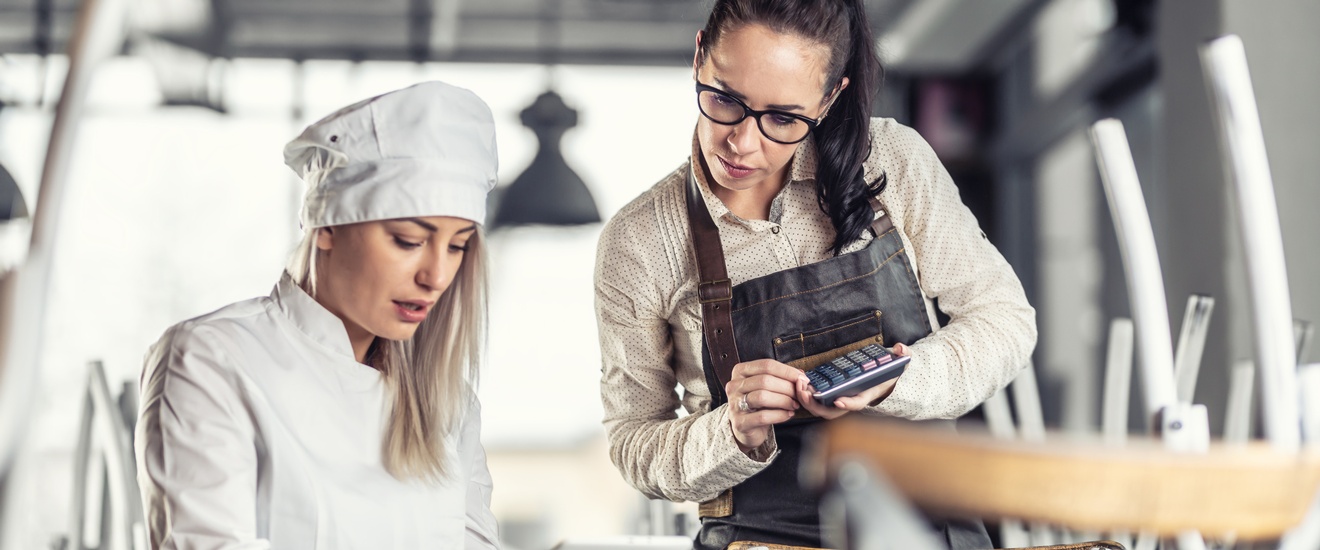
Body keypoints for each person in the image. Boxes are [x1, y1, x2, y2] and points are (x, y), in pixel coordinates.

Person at [593, 1, 1037, 548]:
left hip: (926, 532)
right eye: (725, 100)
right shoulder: (640, 242)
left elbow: (1005, 321)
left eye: (783, 118)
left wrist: (899, 380)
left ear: (829, 99)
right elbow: (633, 442)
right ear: (699, 56)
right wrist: (730, 432)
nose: (743, 143)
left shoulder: (891, 162)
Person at [135, 81, 501, 549]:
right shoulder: (212, 361)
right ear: (326, 225)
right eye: (409, 240)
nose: (437, 275)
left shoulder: (449, 403)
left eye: (458, 246)